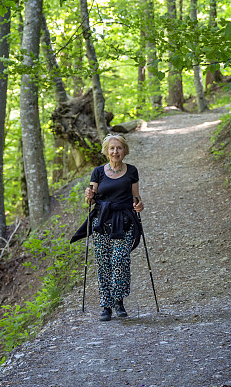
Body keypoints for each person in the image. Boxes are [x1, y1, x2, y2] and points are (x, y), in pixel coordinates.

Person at [71, 133, 144, 321]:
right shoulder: (98, 172)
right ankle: (106, 305)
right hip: (101, 222)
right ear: (106, 151)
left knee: (119, 260)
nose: (115, 151)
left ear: (124, 150)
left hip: (125, 221)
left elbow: (136, 197)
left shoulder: (132, 171)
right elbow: (90, 197)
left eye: (119, 148)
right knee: (103, 263)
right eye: (112, 148)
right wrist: (88, 195)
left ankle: (118, 301)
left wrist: (139, 205)